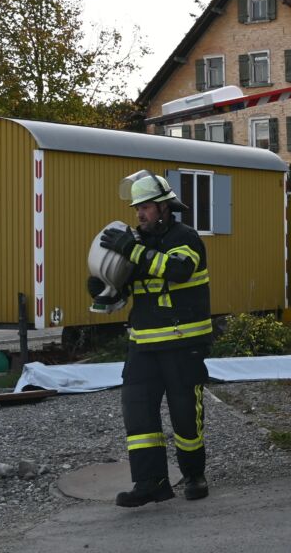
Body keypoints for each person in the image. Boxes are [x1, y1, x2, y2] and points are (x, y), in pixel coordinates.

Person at [88, 170, 213, 507]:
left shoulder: (186, 238)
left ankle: (194, 475)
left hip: (183, 344)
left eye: (145, 207)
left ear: (163, 207)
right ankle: (151, 483)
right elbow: (121, 298)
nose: (139, 214)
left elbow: (178, 270)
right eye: (136, 208)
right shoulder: (136, 244)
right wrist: (103, 288)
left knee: (186, 417)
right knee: (138, 414)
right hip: (143, 345)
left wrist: (133, 251)